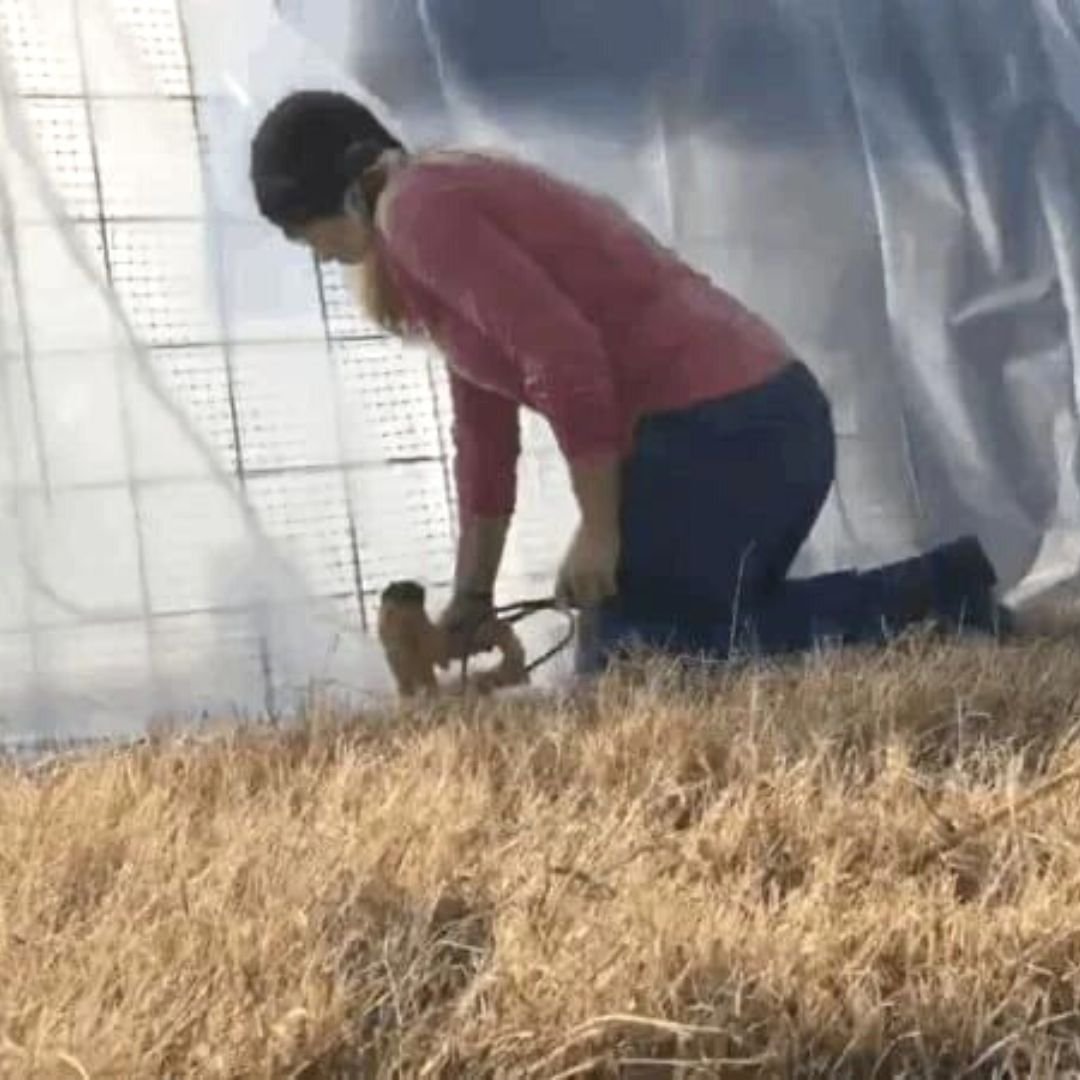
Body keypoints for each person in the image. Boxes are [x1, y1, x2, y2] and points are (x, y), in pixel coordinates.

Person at [249, 90, 1010, 674]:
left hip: (726, 429)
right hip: (750, 422)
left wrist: (599, 527)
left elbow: (567, 355)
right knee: (651, 651)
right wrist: (473, 598)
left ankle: (940, 601)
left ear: (348, 189)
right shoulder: (433, 219)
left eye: (303, 231)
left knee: (644, 658)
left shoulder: (416, 209)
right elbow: (483, 434)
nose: (316, 255)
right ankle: (940, 598)